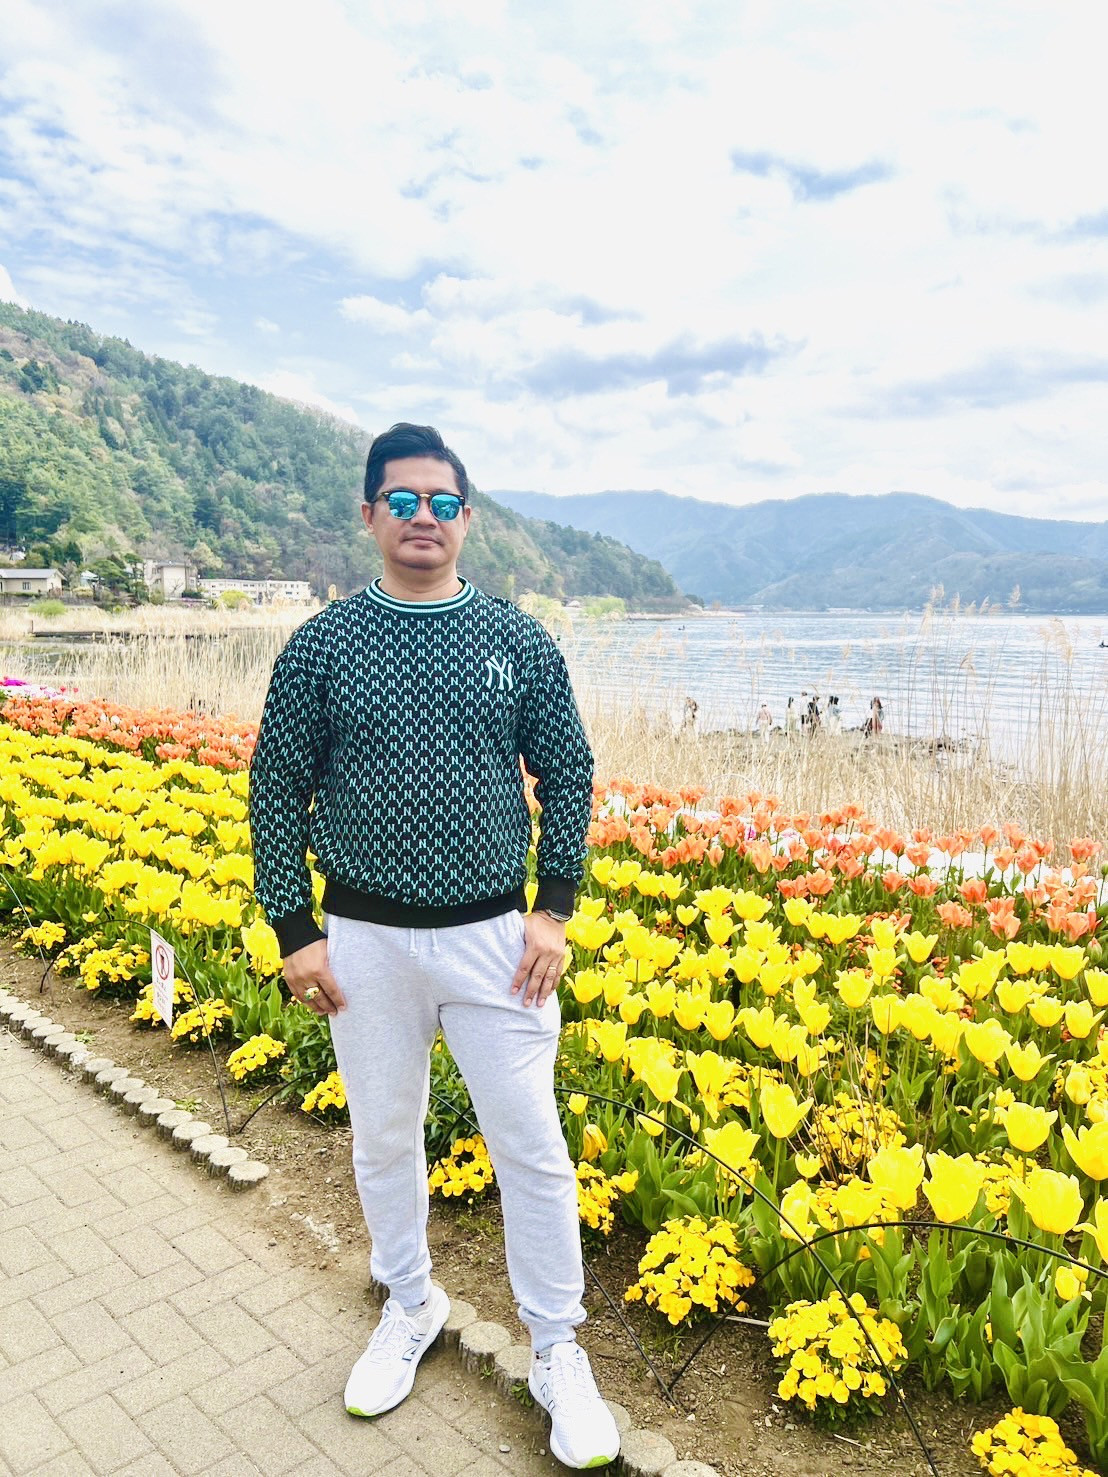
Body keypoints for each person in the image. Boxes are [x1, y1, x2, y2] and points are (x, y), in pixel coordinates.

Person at [248, 423, 619, 1471]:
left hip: (497, 941)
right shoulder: (322, 645)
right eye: (403, 500)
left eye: (443, 502)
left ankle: (556, 1347)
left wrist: (553, 908)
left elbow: (569, 770)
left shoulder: (515, 638)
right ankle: (409, 1302)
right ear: (369, 514)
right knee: (382, 1136)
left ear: (467, 519)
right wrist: (295, 928)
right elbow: (276, 785)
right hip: (363, 941)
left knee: (530, 1147)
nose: (424, 517)